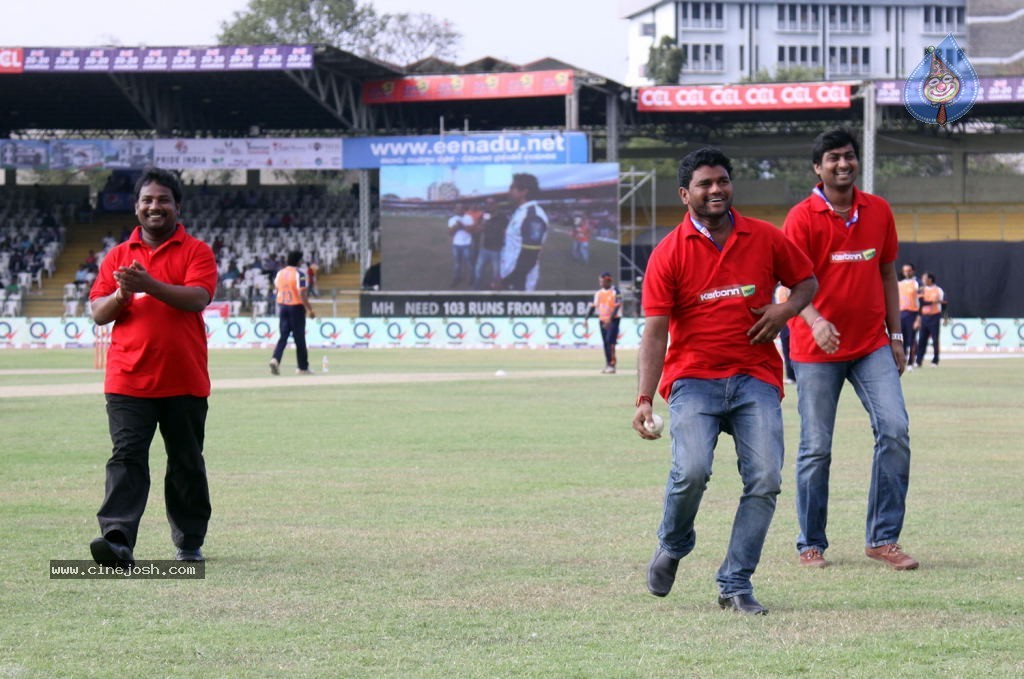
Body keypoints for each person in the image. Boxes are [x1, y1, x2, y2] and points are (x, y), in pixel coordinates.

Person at [634, 148, 817, 615]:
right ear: (685, 194)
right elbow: (655, 332)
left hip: (755, 377)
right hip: (693, 379)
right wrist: (642, 398)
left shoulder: (764, 237)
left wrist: (786, 310)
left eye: (722, 181)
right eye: (704, 184)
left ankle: (735, 583)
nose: (716, 189)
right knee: (691, 470)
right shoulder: (667, 254)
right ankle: (673, 545)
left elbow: (806, 282)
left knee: (766, 478)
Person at [782, 128, 918, 571]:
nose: (843, 164)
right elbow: (792, 284)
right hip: (814, 349)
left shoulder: (878, 211)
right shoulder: (800, 218)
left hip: (871, 344)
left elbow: (887, 273)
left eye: (849, 157)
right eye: (833, 158)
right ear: (817, 168)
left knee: (895, 429)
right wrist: (816, 321)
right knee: (816, 447)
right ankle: (811, 543)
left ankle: (882, 538)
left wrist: (896, 337)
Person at [87, 167, 218, 567]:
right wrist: (124, 292)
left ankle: (190, 540)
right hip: (128, 379)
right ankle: (117, 539)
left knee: (185, 462)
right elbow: (98, 312)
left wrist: (148, 285)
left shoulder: (197, 251)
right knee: (126, 458)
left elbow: (197, 298)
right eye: (147, 200)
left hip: (184, 379)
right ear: (136, 208)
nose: (154, 206)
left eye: (163, 200)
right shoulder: (117, 256)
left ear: (178, 206)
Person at [269, 250, 316, 375]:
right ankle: (302, 367)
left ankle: (275, 359)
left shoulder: (280, 273)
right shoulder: (299, 274)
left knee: (283, 337)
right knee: (299, 338)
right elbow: (302, 294)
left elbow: (276, 289)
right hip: (296, 307)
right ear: (298, 261)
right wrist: (310, 309)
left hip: (283, 307)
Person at [500, 173, 548, 291]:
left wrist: (506, 282)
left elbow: (529, 258)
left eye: (512, 188)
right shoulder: (521, 211)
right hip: (509, 273)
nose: (509, 191)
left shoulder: (532, 216)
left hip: (519, 282)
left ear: (524, 191)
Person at [584, 272, 622, 374]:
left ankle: (612, 364)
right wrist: (586, 318)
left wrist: (610, 319)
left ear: (608, 280)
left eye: (602, 281)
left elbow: (617, 305)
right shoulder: (598, 293)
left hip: (614, 320)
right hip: (602, 320)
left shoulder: (615, 291)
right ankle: (608, 364)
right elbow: (594, 306)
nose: (600, 283)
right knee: (605, 342)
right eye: (600, 281)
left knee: (610, 341)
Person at [916, 271, 945, 368]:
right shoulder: (921, 290)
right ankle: (918, 361)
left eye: (924, 278)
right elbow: (921, 303)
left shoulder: (938, 290)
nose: (922, 280)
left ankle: (935, 361)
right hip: (924, 317)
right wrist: (933, 302)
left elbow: (944, 303)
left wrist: (945, 316)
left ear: (930, 279)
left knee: (935, 340)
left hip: (935, 317)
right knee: (921, 340)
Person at [473, 199, 504, 290]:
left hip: (497, 250)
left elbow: (508, 232)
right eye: (486, 203)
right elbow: (477, 230)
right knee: (478, 270)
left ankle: (494, 291)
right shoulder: (483, 216)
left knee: (496, 273)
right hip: (484, 248)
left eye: (491, 203)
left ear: (496, 205)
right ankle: (477, 289)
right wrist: (481, 225)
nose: (488, 205)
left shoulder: (502, 216)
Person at [898, 262, 920, 369]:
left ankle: (911, 362)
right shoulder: (899, 284)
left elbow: (922, 300)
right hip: (901, 314)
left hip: (912, 313)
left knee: (912, 339)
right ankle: (902, 360)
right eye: (905, 270)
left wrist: (919, 318)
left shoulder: (917, 283)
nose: (906, 272)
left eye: (908, 270)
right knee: (902, 339)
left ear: (913, 271)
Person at [774, 285, 797, 384]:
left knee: (793, 350)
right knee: (787, 351)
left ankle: (795, 375)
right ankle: (791, 375)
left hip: (794, 322)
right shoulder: (781, 289)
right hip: (785, 322)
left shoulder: (795, 288)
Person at [447, 203, 474, 287]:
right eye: (457, 208)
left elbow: (471, 230)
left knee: (469, 263)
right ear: (455, 209)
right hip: (456, 244)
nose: (459, 210)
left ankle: (471, 278)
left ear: (464, 209)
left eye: (461, 208)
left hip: (467, 244)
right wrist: (456, 226)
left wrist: (462, 226)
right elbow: (450, 233)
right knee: (457, 263)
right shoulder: (452, 219)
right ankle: (457, 278)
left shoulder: (468, 218)